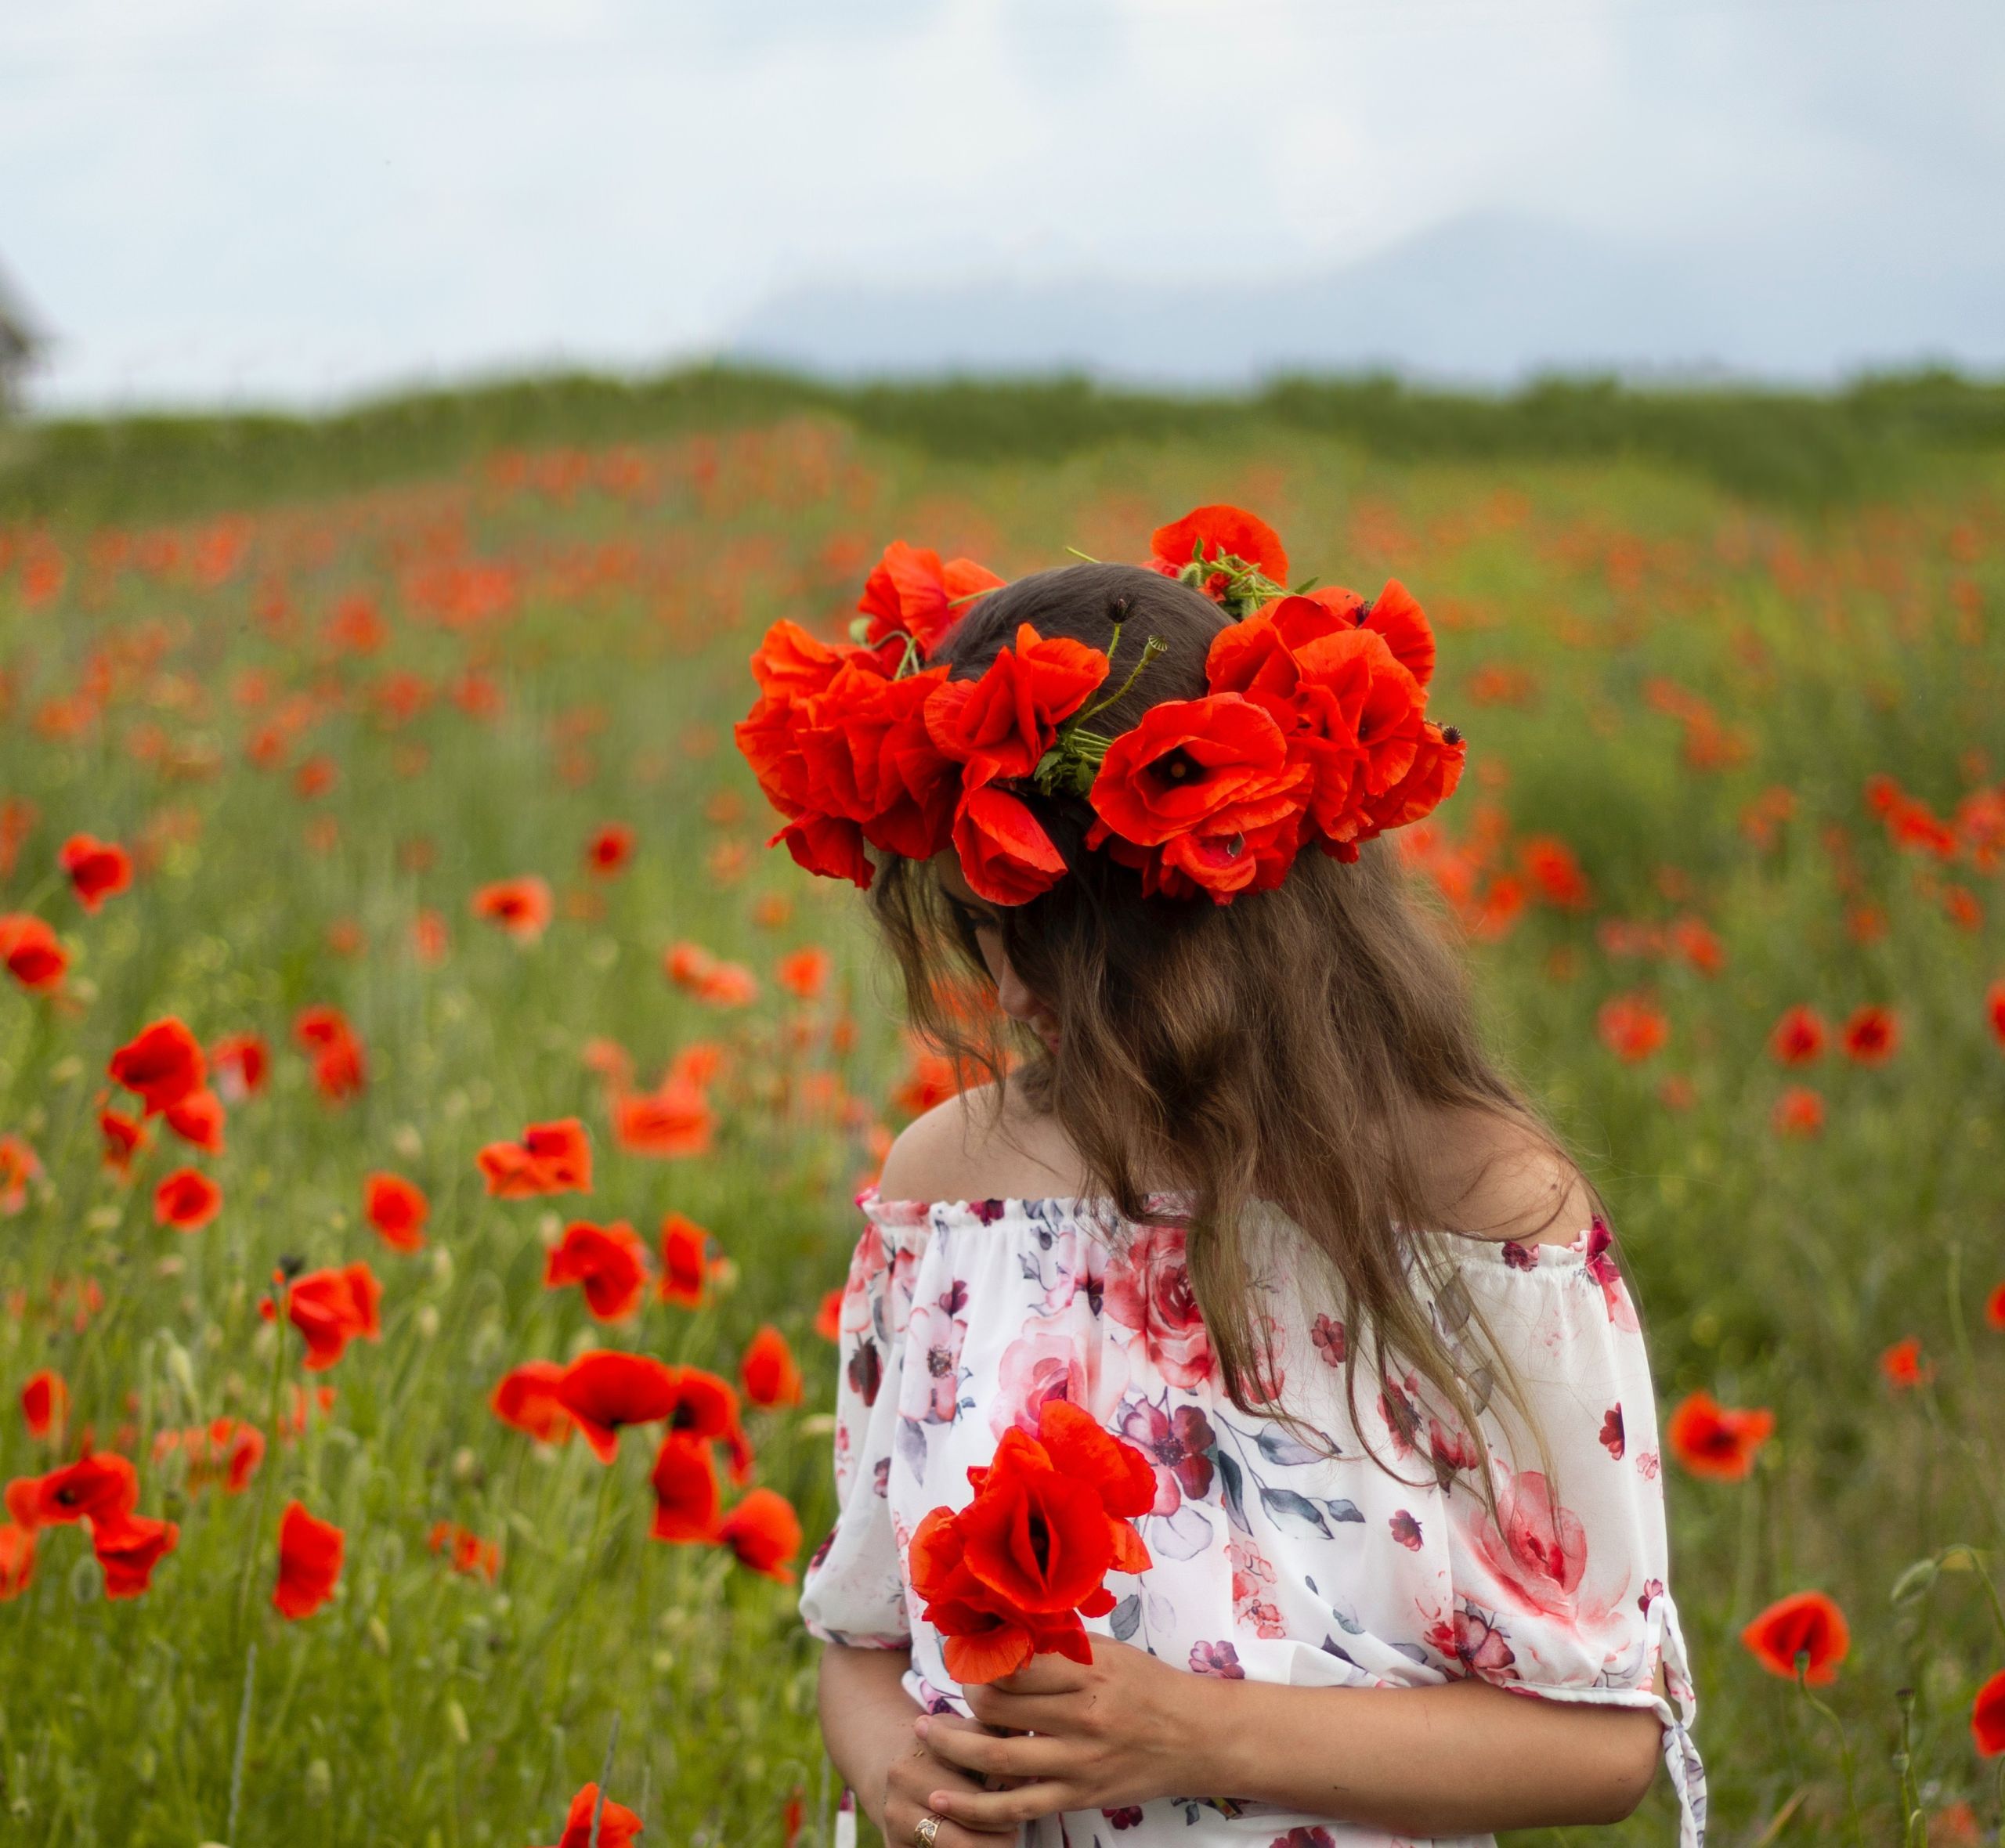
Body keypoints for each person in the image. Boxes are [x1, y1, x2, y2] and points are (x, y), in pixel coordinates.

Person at [736, 509, 1707, 1848]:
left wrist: (1190, 1735)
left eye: (1056, 943)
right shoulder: (951, 1190)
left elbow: (1602, 1740)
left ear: (1232, 903)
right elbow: (860, 1641)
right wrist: (900, 1780)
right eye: (988, 923)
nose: (1010, 989)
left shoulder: (1479, 1206)